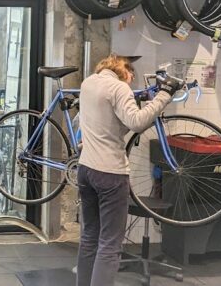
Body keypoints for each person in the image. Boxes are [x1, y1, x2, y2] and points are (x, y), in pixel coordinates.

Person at [76, 54, 182, 286]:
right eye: (131, 75)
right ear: (123, 69)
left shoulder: (88, 83)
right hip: (110, 174)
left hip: (86, 170)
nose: (131, 81)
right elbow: (137, 123)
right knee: (110, 245)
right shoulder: (118, 88)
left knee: (89, 239)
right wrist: (165, 94)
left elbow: (110, 126)